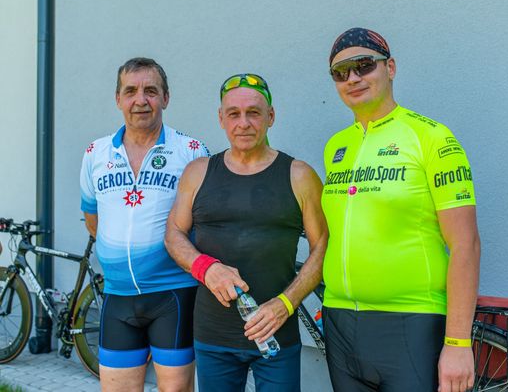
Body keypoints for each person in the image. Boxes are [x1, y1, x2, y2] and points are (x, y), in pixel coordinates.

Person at [321, 28, 481, 392]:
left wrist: (458, 343)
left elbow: (465, 244)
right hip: (340, 321)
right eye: (340, 72)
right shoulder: (336, 147)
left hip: (411, 320)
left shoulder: (433, 138)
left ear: (389, 68)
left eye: (364, 65)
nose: (353, 78)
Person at [165, 73, 328, 392]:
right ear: (221, 119)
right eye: (233, 114)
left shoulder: (299, 176)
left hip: (277, 331)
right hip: (213, 335)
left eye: (253, 112)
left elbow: (322, 246)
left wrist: (285, 303)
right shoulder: (198, 172)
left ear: (271, 116)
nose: (243, 123)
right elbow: (173, 233)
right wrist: (205, 268)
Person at [80, 57, 209, 392]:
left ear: (165, 98)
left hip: (173, 295)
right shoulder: (95, 153)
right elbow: (93, 220)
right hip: (117, 296)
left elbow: (204, 225)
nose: (141, 100)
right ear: (118, 99)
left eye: (151, 91)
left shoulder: (191, 151)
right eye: (131, 91)